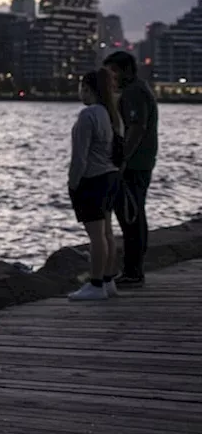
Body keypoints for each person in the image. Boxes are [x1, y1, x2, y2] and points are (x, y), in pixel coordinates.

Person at [66, 69, 124, 301]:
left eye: (82, 87)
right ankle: (108, 280)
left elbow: (80, 157)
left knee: (96, 236)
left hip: (93, 180)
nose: (80, 92)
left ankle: (96, 283)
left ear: (88, 89)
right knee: (107, 233)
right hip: (111, 177)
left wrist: (72, 184)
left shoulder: (88, 115)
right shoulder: (112, 115)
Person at [104, 51, 158, 288]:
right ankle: (133, 269)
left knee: (131, 217)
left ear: (125, 70)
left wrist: (122, 157)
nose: (111, 78)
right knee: (135, 215)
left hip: (134, 165)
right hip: (141, 162)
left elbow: (136, 128)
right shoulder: (139, 89)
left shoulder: (134, 92)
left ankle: (133, 271)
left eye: (113, 72)